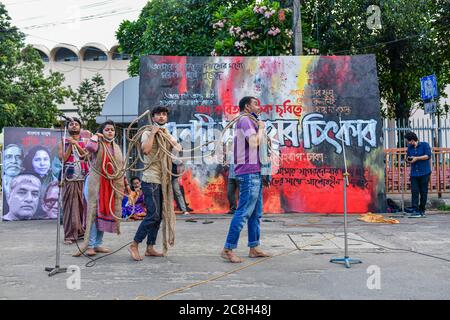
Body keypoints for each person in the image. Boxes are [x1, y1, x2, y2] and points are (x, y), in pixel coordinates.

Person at [221, 96, 271, 263]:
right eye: (255, 103)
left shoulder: (251, 121)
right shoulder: (245, 120)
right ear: (247, 106)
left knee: (256, 214)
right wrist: (262, 128)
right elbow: (254, 142)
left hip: (255, 171)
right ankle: (228, 248)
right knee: (243, 212)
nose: (258, 106)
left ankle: (254, 247)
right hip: (249, 172)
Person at [128, 106, 180, 261]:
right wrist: (153, 133)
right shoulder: (146, 133)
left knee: (159, 216)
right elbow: (145, 150)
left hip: (163, 181)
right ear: (153, 117)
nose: (162, 117)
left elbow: (178, 150)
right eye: (159, 115)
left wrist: (168, 138)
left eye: (164, 114)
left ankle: (150, 247)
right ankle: (134, 244)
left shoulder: (168, 134)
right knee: (153, 214)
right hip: (150, 180)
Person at [73, 120, 125, 257]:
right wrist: (95, 136)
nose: (110, 132)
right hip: (95, 183)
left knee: (104, 212)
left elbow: (120, 167)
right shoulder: (97, 144)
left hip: (109, 184)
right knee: (93, 214)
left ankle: (97, 244)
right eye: (106, 129)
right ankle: (89, 245)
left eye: (112, 130)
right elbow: (89, 148)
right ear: (102, 131)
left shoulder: (116, 147)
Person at [58, 118, 89, 245]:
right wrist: (70, 144)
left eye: (76, 124)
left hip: (84, 177)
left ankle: (81, 232)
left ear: (80, 128)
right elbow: (63, 159)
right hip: (69, 178)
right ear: (68, 128)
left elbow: (86, 156)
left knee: (83, 207)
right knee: (70, 207)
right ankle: (69, 235)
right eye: (71, 124)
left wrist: (76, 144)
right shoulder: (63, 141)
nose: (74, 126)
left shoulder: (85, 141)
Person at [405, 131, 431, 218]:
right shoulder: (410, 147)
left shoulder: (424, 145)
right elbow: (408, 157)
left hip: (424, 172)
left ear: (412, 140)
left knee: (423, 192)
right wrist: (408, 159)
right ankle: (415, 209)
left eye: (408, 141)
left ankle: (422, 209)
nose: (407, 143)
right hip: (414, 174)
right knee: (414, 192)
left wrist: (417, 158)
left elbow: (427, 156)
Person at [2, 144, 24, 212]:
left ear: (22, 162)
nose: (14, 161)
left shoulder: (29, 184)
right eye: (8, 157)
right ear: (3, 160)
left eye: (18, 157)